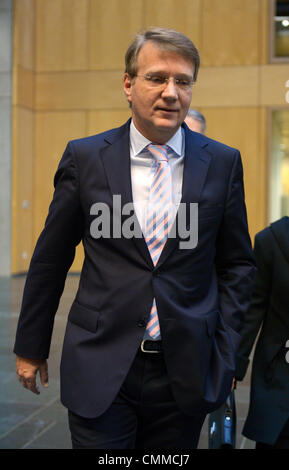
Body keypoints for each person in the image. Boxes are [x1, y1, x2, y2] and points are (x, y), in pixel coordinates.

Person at [14, 27, 255, 449]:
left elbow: (237, 265)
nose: (171, 92)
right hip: (101, 361)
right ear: (128, 84)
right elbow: (51, 258)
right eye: (157, 78)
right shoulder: (86, 157)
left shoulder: (221, 163)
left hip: (186, 369)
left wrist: (228, 351)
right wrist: (31, 347)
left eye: (183, 81)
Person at [235, 216, 289, 449]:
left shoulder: (270, 240)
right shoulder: (270, 242)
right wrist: (233, 366)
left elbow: (253, 310)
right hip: (277, 375)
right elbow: (253, 309)